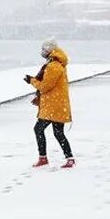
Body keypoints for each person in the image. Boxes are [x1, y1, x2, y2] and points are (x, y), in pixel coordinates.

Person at [25, 39, 75, 169]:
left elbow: (45, 86)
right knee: (58, 132)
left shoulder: (53, 66)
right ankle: (69, 158)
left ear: (49, 50)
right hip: (56, 104)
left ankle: (44, 158)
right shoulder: (56, 64)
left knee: (39, 129)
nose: (42, 52)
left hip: (53, 105)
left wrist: (32, 81)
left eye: (44, 49)